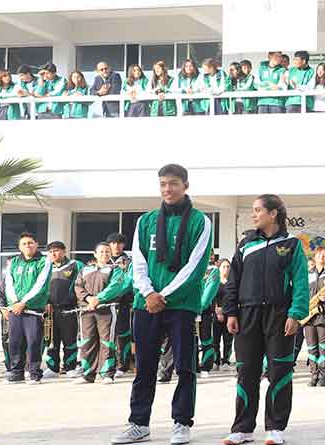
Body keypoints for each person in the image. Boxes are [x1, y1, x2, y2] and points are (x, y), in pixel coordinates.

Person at [111, 164, 214, 445]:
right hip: (147, 305)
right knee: (144, 365)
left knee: (184, 366)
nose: (167, 189)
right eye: (163, 184)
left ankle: (181, 422)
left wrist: (162, 294)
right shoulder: (145, 222)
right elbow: (139, 262)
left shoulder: (200, 222)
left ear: (185, 186)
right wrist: (147, 293)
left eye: (173, 183)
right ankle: (138, 423)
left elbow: (195, 266)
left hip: (181, 304)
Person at [221, 195, 309, 445]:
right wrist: (231, 312)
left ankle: (275, 427)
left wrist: (295, 314)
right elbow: (232, 282)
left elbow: (301, 282)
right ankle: (242, 428)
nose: (253, 214)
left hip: (280, 316)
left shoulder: (291, 244)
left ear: (273, 214)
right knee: (246, 372)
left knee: (279, 371)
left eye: (258, 210)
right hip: (247, 315)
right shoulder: (246, 244)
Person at [0, 232, 52, 384]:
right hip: (15, 309)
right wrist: (15, 302)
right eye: (24, 244)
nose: (27, 246)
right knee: (14, 342)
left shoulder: (44, 261)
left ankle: (34, 373)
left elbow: (41, 285)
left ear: (36, 244)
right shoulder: (14, 262)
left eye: (30, 242)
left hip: (33, 310)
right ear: (19, 247)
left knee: (34, 342)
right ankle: (16, 372)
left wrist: (24, 302)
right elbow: (8, 283)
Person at [75, 242, 132, 383]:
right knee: (87, 341)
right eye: (101, 252)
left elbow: (116, 286)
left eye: (107, 252)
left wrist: (98, 299)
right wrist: (88, 299)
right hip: (87, 310)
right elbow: (78, 286)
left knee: (107, 341)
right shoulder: (85, 269)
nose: (104, 254)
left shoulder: (115, 269)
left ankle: (107, 373)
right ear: (95, 254)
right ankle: (87, 374)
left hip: (107, 310)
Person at [43, 241, 84, 378]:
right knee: (51, 340)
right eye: (51, 252)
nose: (54, 254)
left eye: (56, 250)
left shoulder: (75, 265)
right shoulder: (45, 267)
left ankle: (70, 367)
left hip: (69, 310)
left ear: (64, 251)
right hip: (50, 311)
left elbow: (82, 284)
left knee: (70, 340)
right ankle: (52, 368)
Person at [106, 232, 135, 375]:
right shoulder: (103, 260)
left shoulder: (129, 262)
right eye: (113, 243)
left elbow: (129, 281)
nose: (116, 246)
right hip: (105, 304)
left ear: (123, 245)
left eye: (119, 243)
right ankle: (106, 364)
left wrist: (115, 294)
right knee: (106, 335)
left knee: (122, 335)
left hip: (123, 303)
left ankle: (122, 366)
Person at [305, 247, 325, 386]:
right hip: (310, 315)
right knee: (311, 348)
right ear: (314, 257)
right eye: (319, 254)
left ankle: (323, 377)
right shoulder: (308, 274)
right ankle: (314, 375)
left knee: (324, 348)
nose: (322, 256)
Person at [195, 261, 220, 376]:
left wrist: (200, 306)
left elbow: (210, 291)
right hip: (189, 309)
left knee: (205, 339)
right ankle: (193, 365)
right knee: (191, 339)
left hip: (203, 311)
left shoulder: (213, 270)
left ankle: (206, 365)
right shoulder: (191, 263)